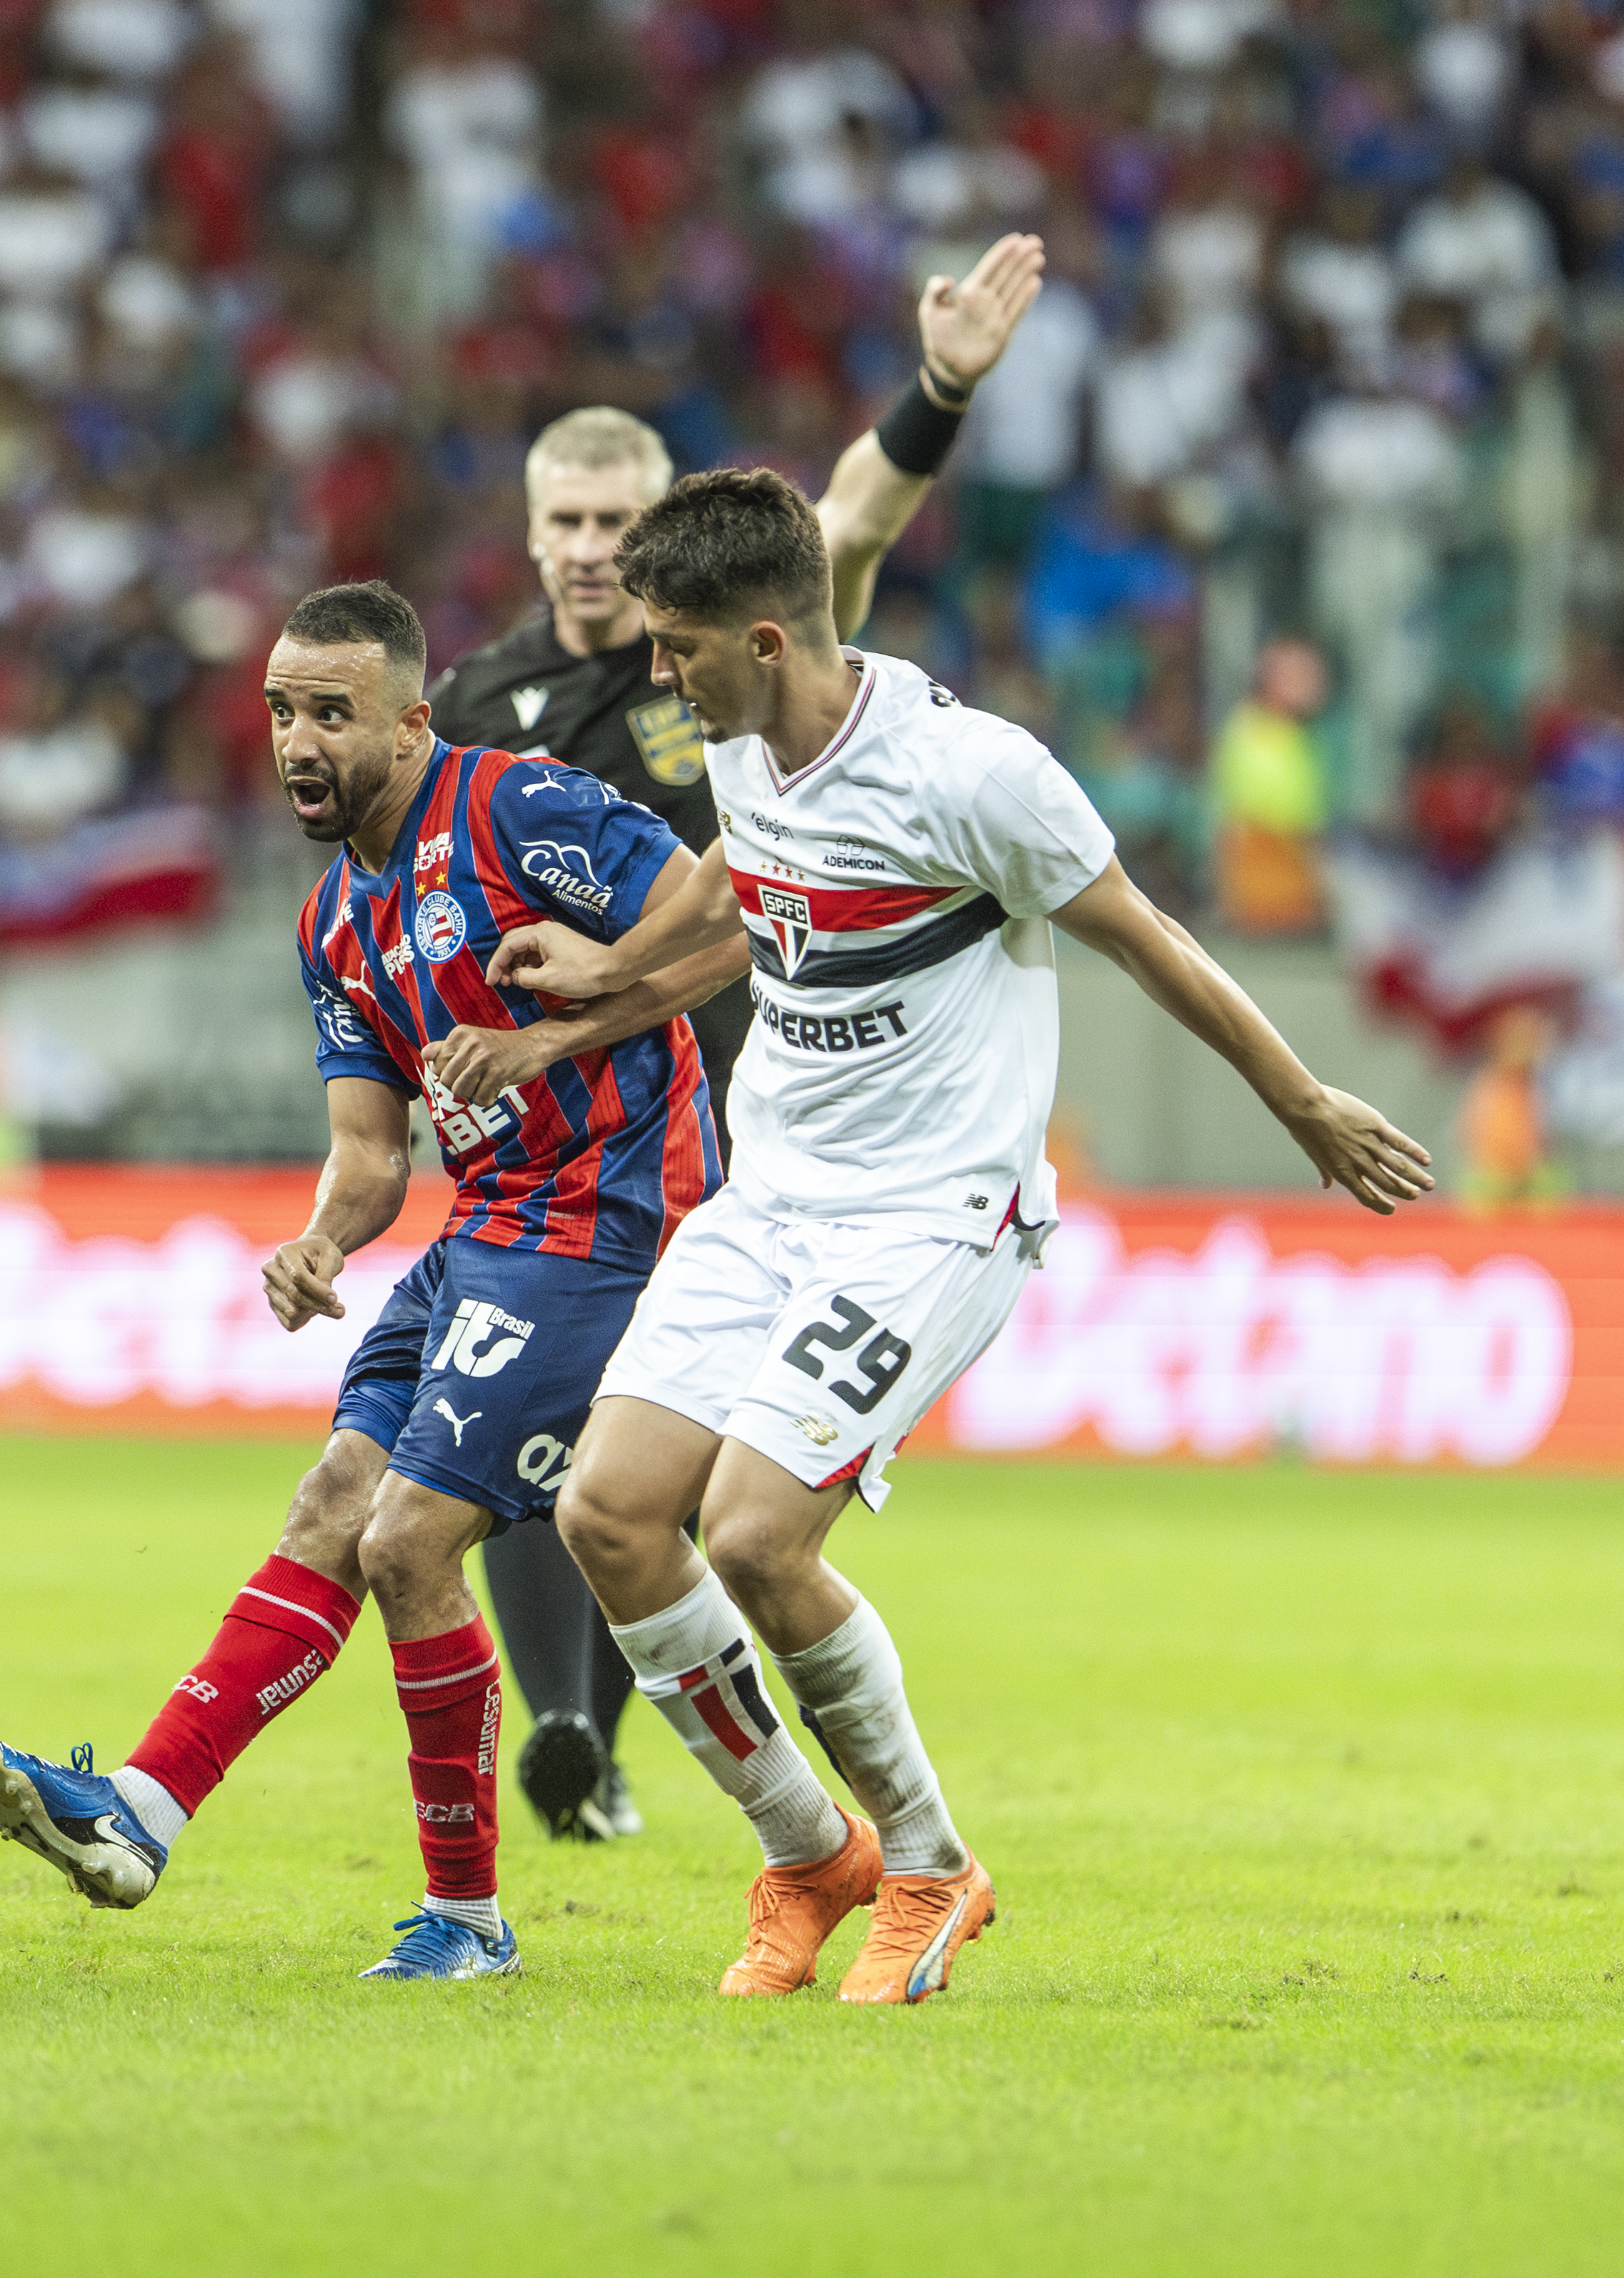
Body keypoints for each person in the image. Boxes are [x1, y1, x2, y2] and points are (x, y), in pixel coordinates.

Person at [486, 471, 1431, 2002]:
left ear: (771, 638)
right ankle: (808, 1852)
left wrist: (1304, 1100)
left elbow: (1150, 936)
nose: (659, 673)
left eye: (680, 647)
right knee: (606, 1515)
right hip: (773, 1191)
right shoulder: (741, 740)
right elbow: (750, 878)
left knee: (751, 1533)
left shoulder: (973, 777)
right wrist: (618, 963)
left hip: (937, 1211)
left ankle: (928, 1863)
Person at [0, 580, 750, 1980]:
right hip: (489, 1231)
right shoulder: (333, 924)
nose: (298, 741)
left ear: (408, 721)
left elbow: (731, 927)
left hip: (618, 1220)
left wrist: (559, 1038)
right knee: (334, 1501)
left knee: (407, 1541)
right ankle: (138, 1811)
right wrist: (324, 1237)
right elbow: (373, 1153)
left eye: (331, 713)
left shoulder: (525, 813)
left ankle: (472, 1921)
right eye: (279, 713)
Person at [426, 232, 1050, 1850]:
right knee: (564, 1443)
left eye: (607, 526)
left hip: (745, 1107)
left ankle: (652, 1751)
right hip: (573, 1109)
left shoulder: (726, 660)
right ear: (527, 534)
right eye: (558, 525)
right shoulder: (477, 698)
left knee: (677, 1480)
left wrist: (937, 391)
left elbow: (855, 518)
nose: (581, 553)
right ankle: (580, 1724)